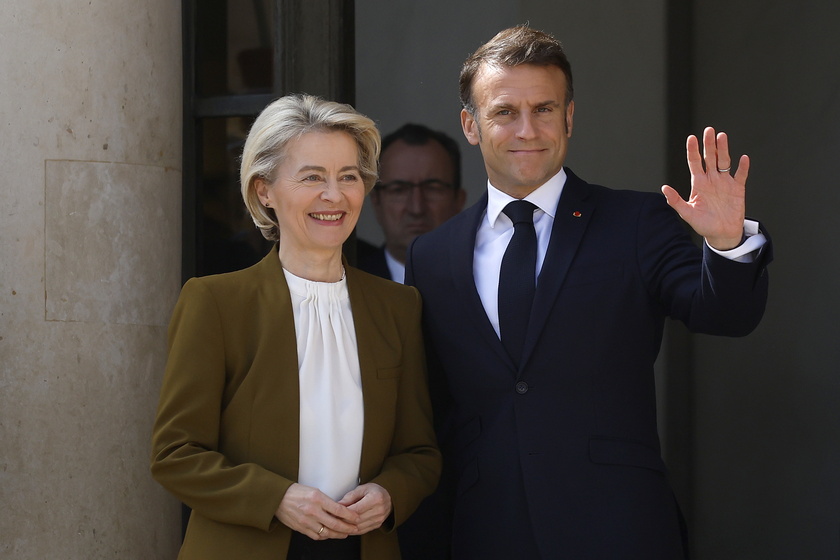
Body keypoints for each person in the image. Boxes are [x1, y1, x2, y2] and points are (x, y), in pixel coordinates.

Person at [405, 25, 772, 559]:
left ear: (569, 118)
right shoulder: (432, 255)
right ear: (471, 125)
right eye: (505, 111)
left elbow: (723, 314)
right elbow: (431, 409)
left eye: (545, 109)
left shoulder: (637, 222)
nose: (527, 129)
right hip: (485, 531)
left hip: (618, 529)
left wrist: (725, 242)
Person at [151, 94, 441, 560]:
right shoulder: (215, 303)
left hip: (362, 549)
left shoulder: (398, 306)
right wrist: (277, 499)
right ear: (264, 190)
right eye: (312, 177)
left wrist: (389, 494)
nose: (334, 195)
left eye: (349, 177)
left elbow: (419, 452)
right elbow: (176, 455)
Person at [357, 123, 466, 283]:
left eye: (432, 188)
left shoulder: (484, 282)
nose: (417, 208)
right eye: (399, 190)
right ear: (376, 201)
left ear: (459, 200)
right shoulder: (348, 286)